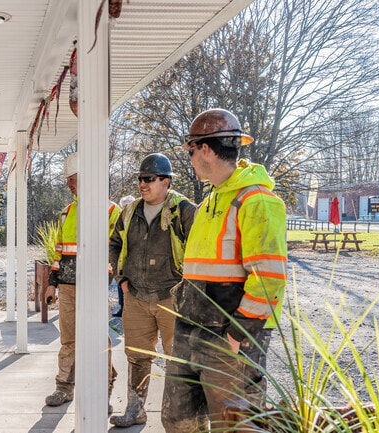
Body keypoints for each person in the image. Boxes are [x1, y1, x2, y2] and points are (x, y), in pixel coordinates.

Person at [161, 108, 288, 432]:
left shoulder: (256, 200)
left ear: (205, 149)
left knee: (235, 426)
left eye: (190, 150)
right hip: (191, 329)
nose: (188, 158)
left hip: (228, 339)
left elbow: (269, 279)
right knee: (178, 421)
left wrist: (237, 337)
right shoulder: (209, 204)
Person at [109, 153, 197, 428]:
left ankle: (180, 419)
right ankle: (136, 409)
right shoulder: (130, 210)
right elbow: (113, 243)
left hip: (172, 298)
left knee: (179, 360)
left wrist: (187, 290)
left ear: (166, 182)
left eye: (149, 179)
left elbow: (199, 252)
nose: (142, 185)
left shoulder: (184, 210)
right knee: (136, 356)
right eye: (140, 179)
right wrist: (121, 278)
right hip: (136, 296)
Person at [44, 152, 122, 412]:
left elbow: (118, 251)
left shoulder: (111, 211)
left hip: (95, 287)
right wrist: (52, 283)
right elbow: (59, 251)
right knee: (69, 339)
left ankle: (104, 391)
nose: (68, 185)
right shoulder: (67, 212)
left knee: (99, 339)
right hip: (67, 285)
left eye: (72, 179)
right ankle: (64, 387)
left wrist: (103, 281)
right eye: (67, 180)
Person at [112, 194, 136, 318]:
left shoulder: (137, 220)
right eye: (124, 206)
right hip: (122, 260)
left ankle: (130, 310)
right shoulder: (120, 221)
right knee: (121, 284)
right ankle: (123, 308)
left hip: (133, 261)